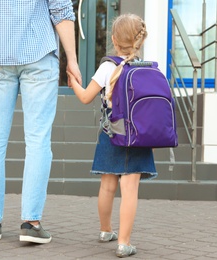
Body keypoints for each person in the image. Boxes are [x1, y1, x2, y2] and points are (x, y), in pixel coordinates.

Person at [0, 0, 81, 243]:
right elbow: (61, 11)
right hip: (38, 56)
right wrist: (71, 59)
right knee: (38, 140)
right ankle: (31, 223)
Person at [67, 14, 157, 257]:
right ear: (139, 41)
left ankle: (106, 230)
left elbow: (86, 97)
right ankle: (124, 243)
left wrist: (72, 81)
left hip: (111, 134)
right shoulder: (145, 69)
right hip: (138, 137)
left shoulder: (108, 66)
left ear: (114, 40)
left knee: (107, 186)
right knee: (130, 189)